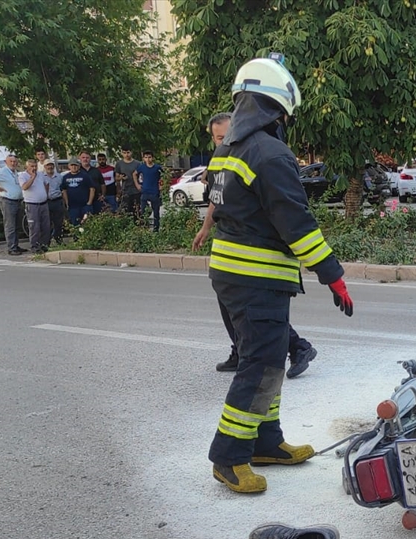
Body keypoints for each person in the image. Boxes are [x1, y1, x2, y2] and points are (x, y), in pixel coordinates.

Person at [202, 55, 354, 494]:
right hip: (256, 277)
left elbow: (225, 209)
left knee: (266, 361)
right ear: (276, 108)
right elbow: (296, 222)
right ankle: (229, 457)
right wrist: (333, 275)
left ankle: (266, 441)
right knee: (261, 363)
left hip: (232, 273)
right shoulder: (270, 153)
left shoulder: (227, 148)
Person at [193, 112, 318, 377]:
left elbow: (289, 213)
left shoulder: (261, 156)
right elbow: (217, 199)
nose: (224, 141)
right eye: (218, 138)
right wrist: (205, 228)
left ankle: (298, 347)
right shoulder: (221, 160)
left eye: (226, 135)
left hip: (262, 253)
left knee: (260, 315)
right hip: (231, 253)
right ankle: (241, 351)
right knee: (234, 307)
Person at [0, 154, 27, 255]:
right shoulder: (3, 171)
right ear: (6, 162)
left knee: (17, 225)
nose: (13, 163)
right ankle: (11, 248)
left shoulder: (15, 172)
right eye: (11, 161)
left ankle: (15, 245)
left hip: (18, 201)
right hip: (8, 201)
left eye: (15, 161)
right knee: (10, 225)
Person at [20, 158, 51, 254]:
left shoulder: (41, 174)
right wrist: (32, 177)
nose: (34, 168)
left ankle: (45, 245)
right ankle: (35, 246)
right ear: (27, 167)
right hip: (32, 204)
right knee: (34, 227)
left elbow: (47, 184)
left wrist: (45, 195)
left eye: (35, 166)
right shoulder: (23, 176)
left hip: (43, 203)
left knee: (46, 226)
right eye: (31, 166)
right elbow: (24, 187)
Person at [60, 159, 95, 229]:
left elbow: (92, 189)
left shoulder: (85, 176)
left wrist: (89, 202)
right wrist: (66, 203)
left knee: (86, 224)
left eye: (75, 165)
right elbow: (64, 190)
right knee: (75, 225)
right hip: (73, 206)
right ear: (69, 166)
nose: (74, 167)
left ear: (79, 166)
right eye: (72, 165)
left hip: (85, 205)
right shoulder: (65, 177)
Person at [134, 152, 163, 232]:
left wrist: (162, 185)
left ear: (152, 158)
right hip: (144, 192)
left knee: (156, 212)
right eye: (146, 157)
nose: (148, 159)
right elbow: (134, 174)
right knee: (143, 211)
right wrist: (137, 185)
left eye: (149, 157)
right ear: (143, 158)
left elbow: (164, 176)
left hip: (154, 192)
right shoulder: (142, 167)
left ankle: (156, 229)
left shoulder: (157, 167)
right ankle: (145, 227)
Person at [42, 161, 67, 245]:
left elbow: (63, 190)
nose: (50, 167)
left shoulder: (59, 177)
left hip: (57, 201)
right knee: (47, 223)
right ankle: (46, 242)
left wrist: (65, 202)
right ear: (45, 167)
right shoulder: (42, 177)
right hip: (47, 202)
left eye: (51, 165)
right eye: (48, 166)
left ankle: (58, 239)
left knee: (59, 223)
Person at [115, 148, 142, 221]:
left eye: (128, 152)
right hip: (125, 191)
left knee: (137, 211)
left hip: (136, 190)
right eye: (124, 153)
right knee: (126, 211)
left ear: (131, 152)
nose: (126, 155)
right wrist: (121, 177)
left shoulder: (138, 163)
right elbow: (116, 178)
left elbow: (142, 177)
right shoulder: (119, 164)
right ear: (121, 153)